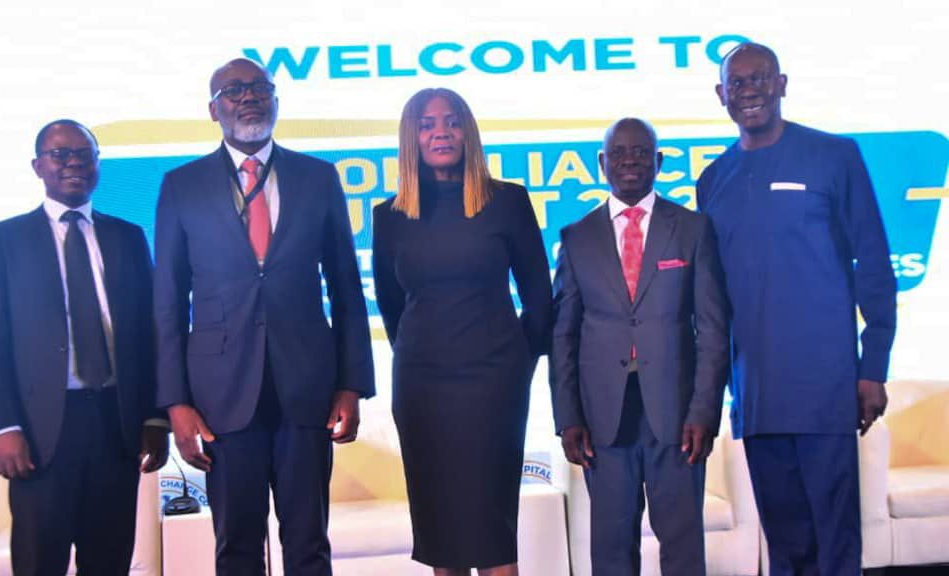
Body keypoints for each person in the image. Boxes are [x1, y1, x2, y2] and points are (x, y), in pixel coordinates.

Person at [154, 58, 375, 576]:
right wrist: (175, 403)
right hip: (221, 396)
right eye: (233, 90)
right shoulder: (182, 185)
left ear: (276, 100)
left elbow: (346, 287)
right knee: (236, 546)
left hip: (307, 389)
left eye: (259, 87)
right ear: (213, 110)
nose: (249, 97)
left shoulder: (317, 177)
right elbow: (167, 301)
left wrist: (351, 385)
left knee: (309, 544)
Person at [696, 42, 897, 576]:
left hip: (827, 387)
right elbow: (712, 302)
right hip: (757, 395)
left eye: (761, 78)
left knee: (836, 546)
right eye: (738, 83)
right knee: (786, 549)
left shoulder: (835, 156)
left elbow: (875, 264)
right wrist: (716, 391)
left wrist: (873, 367)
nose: (750, 91)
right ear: (721, 95)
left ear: (782, 84)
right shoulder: (712, 181)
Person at [0, 119, 168, 576]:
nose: (73, 163)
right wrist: (3, 426)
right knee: (40, 561)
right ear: (37, 166)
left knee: (110, 560)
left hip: (117, 423)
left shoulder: (128, 236)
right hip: (40, 432)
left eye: (84, 154)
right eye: (60, 154)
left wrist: (155, 417)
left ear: (97, 164)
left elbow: (151, 331)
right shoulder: (4, 240)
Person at [372, 88, 552, 576]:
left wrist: (517, 363)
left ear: (467, 131)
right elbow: (391, 306)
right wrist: (420, 353)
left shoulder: (507, 201)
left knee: (493, 534)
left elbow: (539, 297)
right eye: (427, 124)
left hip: (494, 387)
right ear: (411, 138)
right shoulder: (389, 216)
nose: (441, 133)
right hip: (422, 389)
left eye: (452, 122)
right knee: (441, 536)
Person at [550, 118, 729, 576]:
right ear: (602, 162)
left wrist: (704, 412)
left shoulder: (692, 229)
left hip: (678, 416)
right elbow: (564, 335)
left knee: (683, 547)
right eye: (619, 152)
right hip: (602, 420)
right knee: (611, 551)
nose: (629, 161)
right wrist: (568, 417)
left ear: (659, 161)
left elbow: (712, 329)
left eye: (641, 152)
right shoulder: (577, 237)